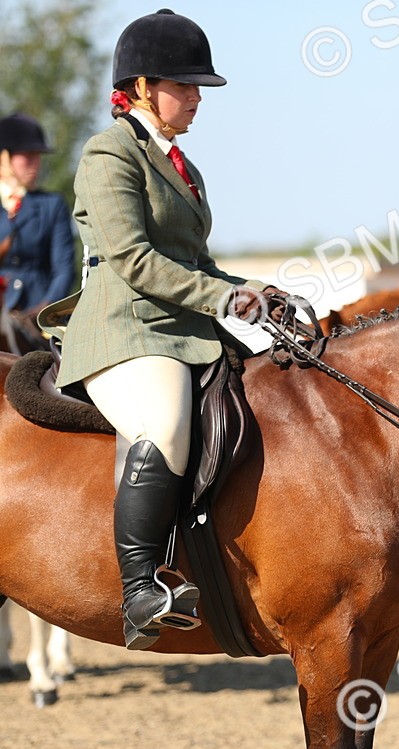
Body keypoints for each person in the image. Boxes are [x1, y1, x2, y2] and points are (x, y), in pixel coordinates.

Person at [38, 9, 284, 650]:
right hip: (123, 328)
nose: (198, 98)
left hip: (182, 328)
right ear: (143, 87)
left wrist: (255, 292)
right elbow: (135, 261)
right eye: (187, 85)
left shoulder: (185, 168)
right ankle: (142, 587)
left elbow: (196, 264)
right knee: (168, 423)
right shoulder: (107, 153)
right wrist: (226, 298)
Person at [0, 112, 75, 350]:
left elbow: (63, 269)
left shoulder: (52, 205)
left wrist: (47, 310)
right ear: (5, 158)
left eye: (38, 157)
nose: (36, 163)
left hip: (38, 315)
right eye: (28, 156)